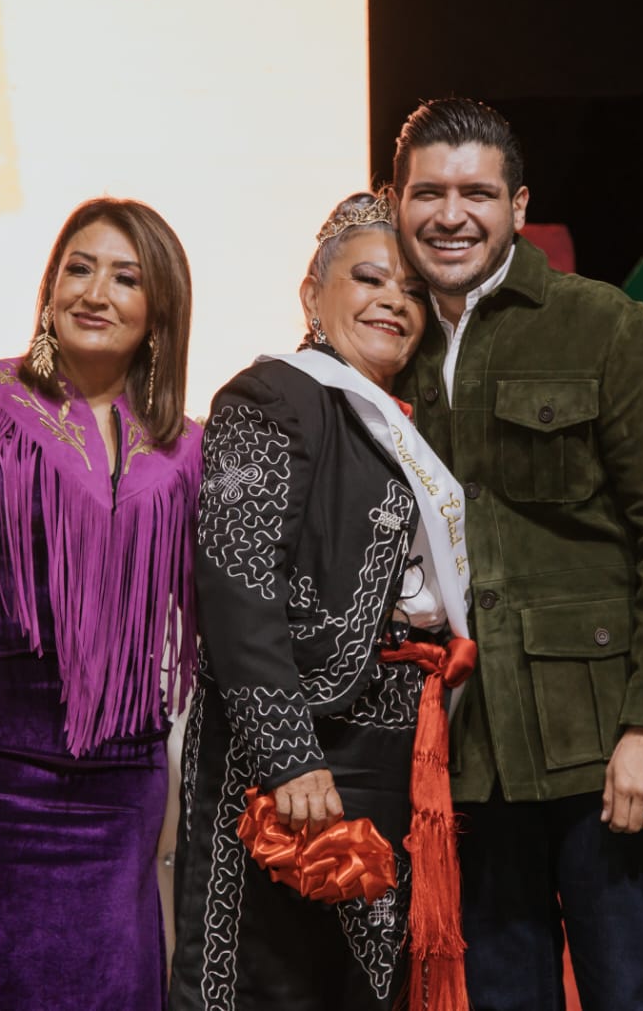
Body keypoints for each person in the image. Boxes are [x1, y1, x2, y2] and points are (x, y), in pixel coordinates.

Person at [391, 98, 643, 1011]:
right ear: (396, 201)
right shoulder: (384, 342)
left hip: (602, 743)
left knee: (629, 996)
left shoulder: (601, 325)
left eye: (476, 193)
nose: (451, 215)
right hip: (465, 755)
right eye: (428, 192)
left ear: (518, 205)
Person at [0, 197, 200, 1010]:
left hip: (117, 788)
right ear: (50, 288)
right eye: (78, 269)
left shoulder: (187, 449)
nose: (95, 292)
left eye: (125, 278)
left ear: (159, 309)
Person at [170, 192, 476, 1011]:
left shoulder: (414, 424)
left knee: (367, 988)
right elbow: (237, 582)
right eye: (369, 279)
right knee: (265, 985)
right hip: (300, 745)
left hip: (402, 749)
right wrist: (286, 753)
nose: (393, 301)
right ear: (313, 295)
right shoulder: (271, 396)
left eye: (413, 290)